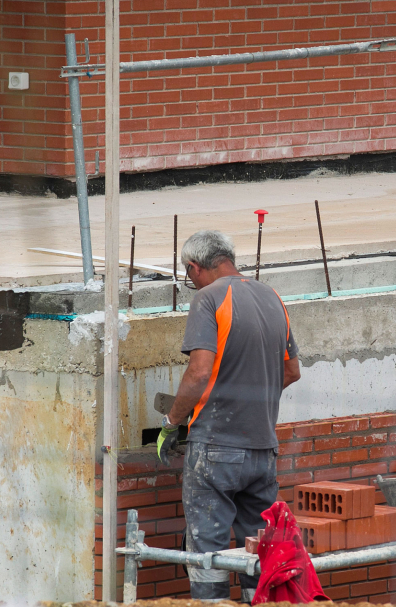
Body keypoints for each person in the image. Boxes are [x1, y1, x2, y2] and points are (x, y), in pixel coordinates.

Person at [156, 229, 302, 602]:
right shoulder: (272, 297)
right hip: (263, 450)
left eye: (188, 274)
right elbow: (291, 372)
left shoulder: (208, 298)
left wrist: (173, 421)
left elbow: (199, 372)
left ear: (194, 267)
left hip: (216, 448)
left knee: (209, 551)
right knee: (257, 551)